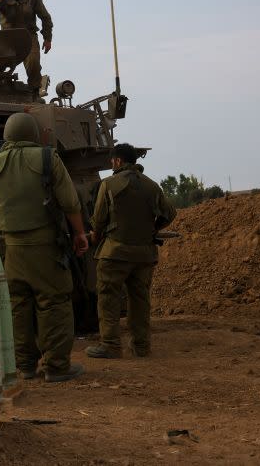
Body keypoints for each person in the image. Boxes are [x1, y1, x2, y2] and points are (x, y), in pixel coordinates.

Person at [0, 113, 88, 383]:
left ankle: (25, 365)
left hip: (11, 250)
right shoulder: (48, 158)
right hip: (45, 248)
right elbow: (70, 203)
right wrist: (80, 234)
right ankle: (56, 366)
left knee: (18, 305)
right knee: (53, 303)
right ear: (34, 134)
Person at [85, 144, 177, 359]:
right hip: (144, 254)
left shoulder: (108, 184)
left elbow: (99, 221)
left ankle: (110, 345)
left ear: (117, 161)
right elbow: (170, 213)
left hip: (115, 253)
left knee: (109, 297)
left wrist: (95, 236)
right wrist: (153, 229)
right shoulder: (152, 186)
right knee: (140, 300)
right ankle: (141, 346)